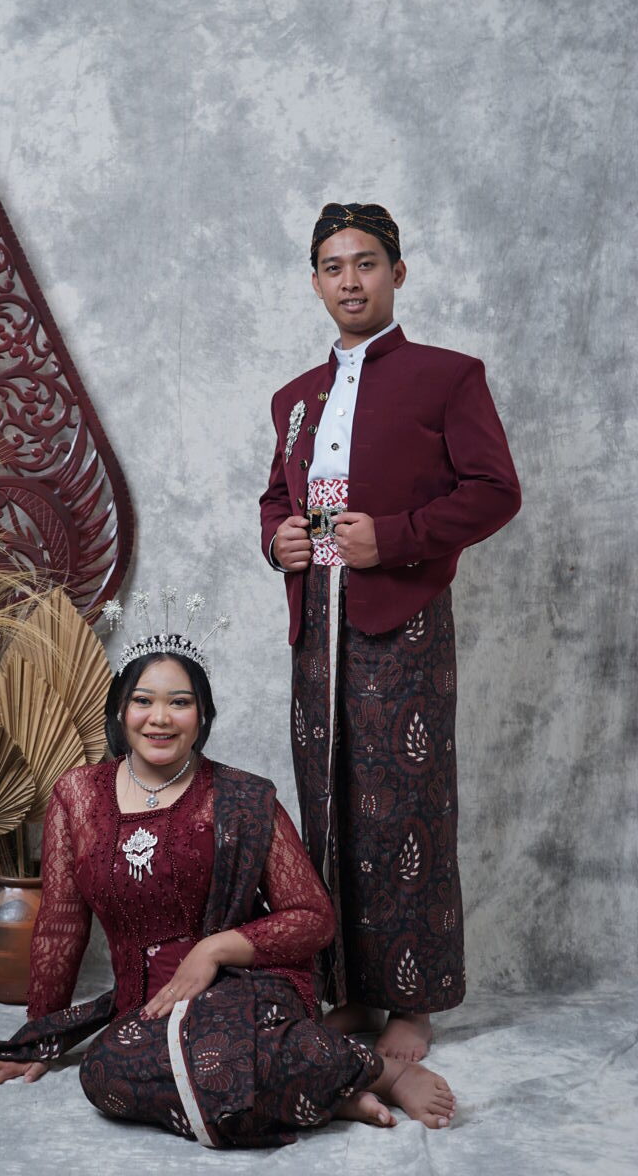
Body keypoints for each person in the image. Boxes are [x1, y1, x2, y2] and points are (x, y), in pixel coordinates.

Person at [0, 623, 456, 1147]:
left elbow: (312, 918)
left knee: (224, 1048)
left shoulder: (244, 798)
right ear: (120, 711)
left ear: (202, 715)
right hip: (148, 1010)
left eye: (180, 702)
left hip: (245, 986)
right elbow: (60, 925)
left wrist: (214, 950)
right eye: (143, 700)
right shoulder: (77, 796)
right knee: (105, 1073)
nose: (160, 717)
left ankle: (384, 1073)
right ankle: (327, 1088)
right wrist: (39, 1036)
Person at [260, 203, 521, 1063]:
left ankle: (413, 1000)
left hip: (400, 614)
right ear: (315, 282)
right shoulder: (294, 398)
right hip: (316, 621)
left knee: (406, 805)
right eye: (333, 267)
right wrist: (278, 539)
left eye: (366, 263)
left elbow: (495, 490)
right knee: (329, 801)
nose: (350, 281)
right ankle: (349, 990)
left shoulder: (448, 376)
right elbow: (278, 498)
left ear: (396, 273)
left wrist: (396, 538)